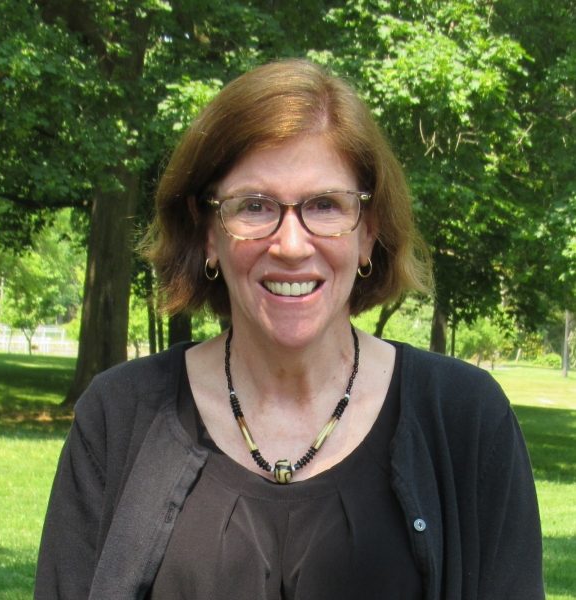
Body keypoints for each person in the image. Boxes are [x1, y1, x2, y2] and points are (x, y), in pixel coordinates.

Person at [35, 59, 544, 599]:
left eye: (325, 205)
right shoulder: (118, 418)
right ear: (207, 231)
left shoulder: (467, 421)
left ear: (368, 232)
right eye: (253, 207)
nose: (292, 245)